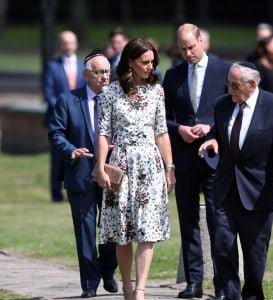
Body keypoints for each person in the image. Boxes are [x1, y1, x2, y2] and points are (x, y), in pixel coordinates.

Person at [199, 61, 273, 300]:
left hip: (258, 190)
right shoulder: (222, 104)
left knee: (254, 255)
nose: (229, 90)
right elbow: (218, 131)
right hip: (224, 187)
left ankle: (253, 295)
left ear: (251, 85)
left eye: (234, 86)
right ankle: (228, 294)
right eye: (228, 84)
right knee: (222, 246)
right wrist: (213, 140)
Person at [95, 38, 176, 300]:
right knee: (123, 232)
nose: (150, 67)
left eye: (153, 62)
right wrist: (100, 166)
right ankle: (127, 287)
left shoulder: (157, 91)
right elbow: (104, 133)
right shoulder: (110, 92)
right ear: (130, 61)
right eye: (145, 62)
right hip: (121, 164)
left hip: (150, 166)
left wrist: (169, 167)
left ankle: (140, 289)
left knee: (147, 229)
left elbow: (161, 132)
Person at [163, 23, 230, 299]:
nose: (188, 53)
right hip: (185, 157)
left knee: (218, 221)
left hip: (214, 157)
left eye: (192, 46)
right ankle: (194, 282)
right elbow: (161, 118)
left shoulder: (224, 70)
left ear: (201, 41)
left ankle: (223, 282)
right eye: (183, 48)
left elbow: (234, 110)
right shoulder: (173, 75)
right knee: (188, 221)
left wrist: (210, 126)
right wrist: (179, 129)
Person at [48, 52, 118, 298]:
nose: (104, 76)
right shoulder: (67, 100)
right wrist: (71, 150)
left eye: (107, 71)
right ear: (86, 74)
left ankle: (107, 269)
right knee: (85, 232)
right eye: (99, 72)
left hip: (111, 175)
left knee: (111, 231)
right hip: (80, 175)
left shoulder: (117, 99)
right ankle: (89, 283)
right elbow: (56, 133)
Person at [43, 30, 86, 202]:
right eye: (64, 42)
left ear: (75, 44)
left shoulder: (84, 66)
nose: (68, 45)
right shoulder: (51, 65)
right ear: (60, 44)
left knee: (79, 154)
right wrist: (64, 112)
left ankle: (79, 187)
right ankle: (56, 193)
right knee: (57, 158)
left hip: (79, 121)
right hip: (57, 119)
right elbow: (48, 93)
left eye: (71, 42)